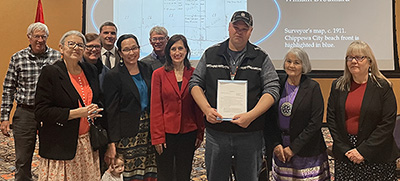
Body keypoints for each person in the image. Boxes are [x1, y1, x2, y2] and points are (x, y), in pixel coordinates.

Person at [189, 11, 280, 181]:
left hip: (250, 133)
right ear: (229, 27)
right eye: (235, 27)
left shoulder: (261, 57)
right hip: (217, 134)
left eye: (244, 28)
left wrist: (251, 116)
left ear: (250, 31)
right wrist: (206, 109)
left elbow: (272, 89)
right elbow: (195, 83)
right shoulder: (211, 53)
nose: (239, 31)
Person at [34, 30, 103, 180]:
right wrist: (77, 113)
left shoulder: (90, 70)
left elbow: (96, 98)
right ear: (61, 48)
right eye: (71, 44)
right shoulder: (51, 72)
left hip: (86, 143)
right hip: (61, 143)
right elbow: (41, 111)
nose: (76, 48)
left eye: (80, 45)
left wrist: (95, 109)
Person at [327, 40, 399, 180]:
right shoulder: (338, 86)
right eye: (350, 57)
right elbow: (332, 120)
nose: (354, 61)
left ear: (370, 62)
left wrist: (363, 151)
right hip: (346, 153)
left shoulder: (383, 87)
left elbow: (387, 123)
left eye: (360, 57)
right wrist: (346, 150)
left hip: (377, 154)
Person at [0, 22, 61, 181]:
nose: (40, 40)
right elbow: (8, 89)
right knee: (23, 157)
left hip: (50, 113)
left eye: (43, 36)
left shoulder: (57, 57)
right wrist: (5, 118)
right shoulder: (18, 58)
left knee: (53, 155)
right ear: (29, 38)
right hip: (25, 113)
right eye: (36, 36)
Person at [266, 47, 330, 180]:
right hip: (281, 149)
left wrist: (293, 148)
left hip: (307, 150)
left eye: (296, 62)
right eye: (288, 61)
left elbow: (315, 122)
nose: (291, 65)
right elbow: (270, 118)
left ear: (304, 65)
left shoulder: (313, 87)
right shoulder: (278, 84)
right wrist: (276, 144)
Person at [150, 34, 205, 181]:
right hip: (166, 133)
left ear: (186, 50)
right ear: (168, 52)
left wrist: (200, 131)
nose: (177, 52)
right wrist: (157, 137)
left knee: (184, 173)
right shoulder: (159, 74)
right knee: (165, 173)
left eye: (180, 48)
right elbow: (156, 107)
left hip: (189, 131)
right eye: (173, 49)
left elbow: (198, 106)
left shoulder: (194, 73)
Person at [103, 34, 157, 180]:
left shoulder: (147, 68)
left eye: (134, 48)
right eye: (126, 50)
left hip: (149, 129)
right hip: (127, 133)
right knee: (127, 171)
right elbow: (111, 111)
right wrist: (112, 142)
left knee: (148, 169)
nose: (131, 53)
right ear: (120, 53)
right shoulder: (113, 75)